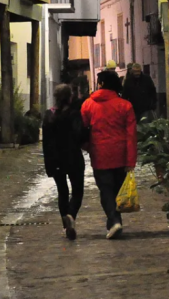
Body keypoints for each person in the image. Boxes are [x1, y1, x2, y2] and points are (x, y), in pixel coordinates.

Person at [81, 70, 137, 239]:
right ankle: (114, 221)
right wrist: (131, 160)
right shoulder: (125, 106)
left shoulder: (88, 105)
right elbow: (132, 135)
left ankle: (113, 221)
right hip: (120, 154)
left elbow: (82, 130)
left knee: (105, 190)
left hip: (99, 154)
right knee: (117, 190)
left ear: (101, 84)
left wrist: (88, 147)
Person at [42, 84, 87, 240]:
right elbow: (80, 135)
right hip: (73, 157)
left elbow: (45, 144)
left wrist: (48, 165)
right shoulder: (74, 114)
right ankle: (71, 215)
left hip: (55, 160)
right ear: (70, 97)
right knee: (77, 191)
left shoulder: (49, 115)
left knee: (62, 191)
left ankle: (65, 222)